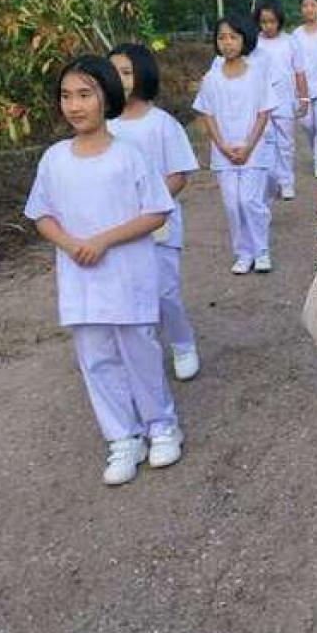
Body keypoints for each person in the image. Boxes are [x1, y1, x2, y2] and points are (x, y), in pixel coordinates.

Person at [24, 55, 183, 486]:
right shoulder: (54, 159)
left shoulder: (129, 156)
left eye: (85, 95)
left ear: (107, 97)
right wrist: (70, 244)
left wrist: (103, 241)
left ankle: (161, 426)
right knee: (96, 358)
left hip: (128, 275)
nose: (74, 106)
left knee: (139, 352)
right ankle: (122, 437)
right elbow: (41, 214)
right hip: (80, 279)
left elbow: (156, 211)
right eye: (66, 96)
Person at [107, 42, 201, 381]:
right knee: (127, 293)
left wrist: (148, 206)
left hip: (158, 225)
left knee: (164, 292)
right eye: (113, 72)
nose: (119, 79)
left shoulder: (162, 124)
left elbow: (178, 175)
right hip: (116, 227)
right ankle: (139, 353)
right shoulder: (103, 126)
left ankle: (182, 343)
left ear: (143, 75)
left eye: (126, 72)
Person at [193, 12, 278, 274]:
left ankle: (261, 251)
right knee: (232, 204)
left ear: (245, 40)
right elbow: (208, 114)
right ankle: (243, 253)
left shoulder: (257, 74)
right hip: (224, 153)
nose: (227, 43)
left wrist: (249, 146)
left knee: (250, 201)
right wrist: (222, 146)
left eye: (233, 37)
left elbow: (264, 112)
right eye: (222, 37)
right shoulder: (211, 78)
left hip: (254, 150)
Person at [252, 0, 297, 200]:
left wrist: (303, 98)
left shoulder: (290, 41)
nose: (268, 26)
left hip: (285, 98)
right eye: (263, 22)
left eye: (272, 21)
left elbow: (300, 70)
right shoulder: (254, 43)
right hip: (262, 101)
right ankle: (272, 181)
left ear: (279, 21)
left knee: (285, 143)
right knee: (266, 141)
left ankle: (287, 182)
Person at [291, 0, 317, 179]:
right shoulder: (296, 35)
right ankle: (316, 150)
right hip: (303, 87)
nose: (309, 9)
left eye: (313, 5)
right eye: (305, 5)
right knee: (308, 125)